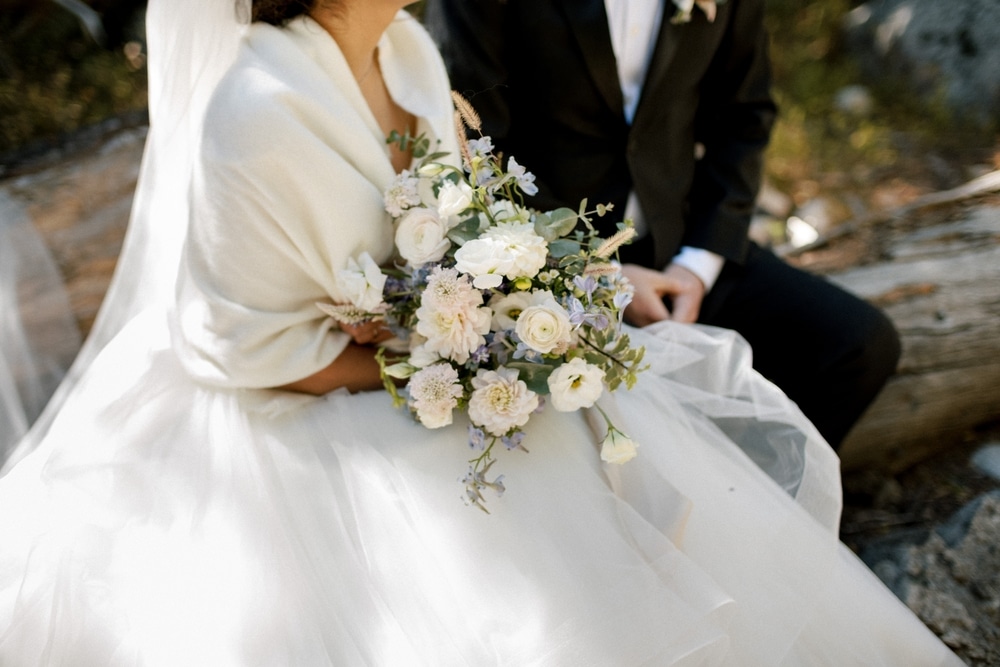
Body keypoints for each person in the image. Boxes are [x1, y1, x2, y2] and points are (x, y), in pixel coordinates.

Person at [0, 0, 964, 664]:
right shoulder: (253, 112)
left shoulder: (410, 54)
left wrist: (526, 297)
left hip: (468, 335)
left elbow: (471, 215)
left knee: (629, 432)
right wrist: (435, 362)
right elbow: (239, 349)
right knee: (522, 519)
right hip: (310, 401)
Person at [423, 0, 901, 450]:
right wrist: (597, 270)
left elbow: (743, 116)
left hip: (680, 245)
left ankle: (747, 519)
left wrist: (697, 265)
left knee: (857, 346)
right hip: (540, 269)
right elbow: (473, 142)